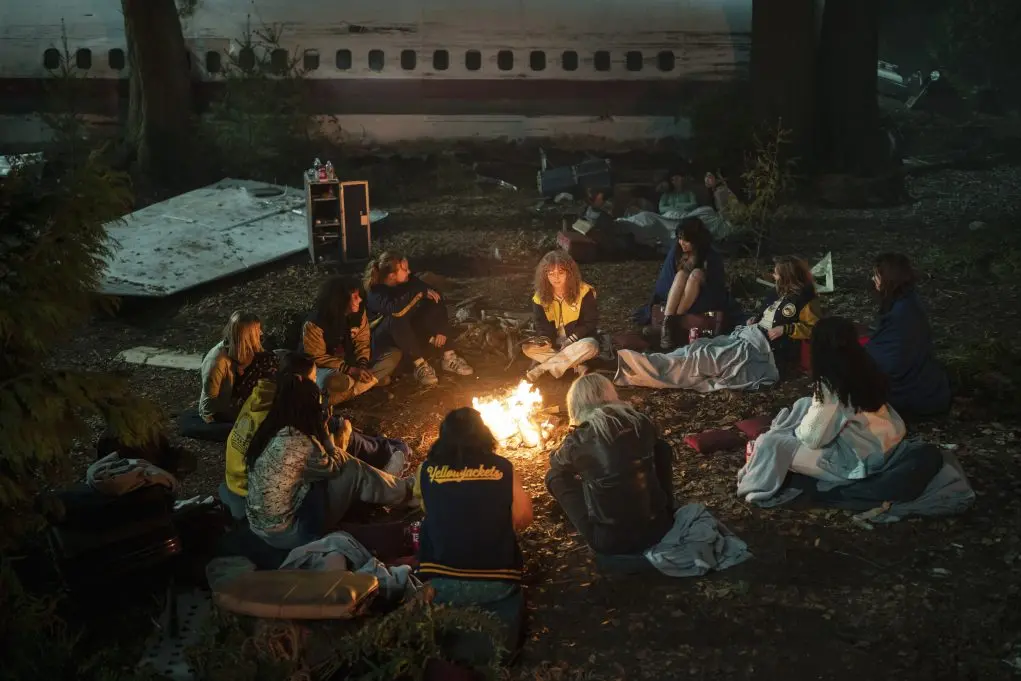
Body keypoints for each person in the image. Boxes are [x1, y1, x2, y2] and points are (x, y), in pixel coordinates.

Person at [219, 352, 409, 520]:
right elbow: (330, 466)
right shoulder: (287, 426)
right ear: (299, 383)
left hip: (241, 485)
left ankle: (388, 455)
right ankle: (402, 488)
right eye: (313, 380)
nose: (317, 388)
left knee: (336, 429)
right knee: (350, 467)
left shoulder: (262, 396)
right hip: (259, 499)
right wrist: (340, 439)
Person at [244, 371, 415, 550]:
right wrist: (325, 433)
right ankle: (408, 493)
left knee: (343, 465)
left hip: (261, 527)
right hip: (292, 533)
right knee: (350, 467)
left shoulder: (270, 430)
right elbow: (334, 465)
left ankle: (391, 489)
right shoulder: (300, 442)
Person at [415, 407, 533, 658]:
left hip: (439, 584)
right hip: (497, 583)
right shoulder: (503, 468)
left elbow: (428, 508)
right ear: (484, 435)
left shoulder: (426, 470)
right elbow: (524, 517)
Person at [546, 374, 674, 559]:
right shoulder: (640, 421)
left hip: (612, 542)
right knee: (662, 448)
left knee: (554, 476)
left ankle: (587, 524)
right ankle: (667, 507)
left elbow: (555, 462)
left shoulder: (579, 439)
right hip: (660, 528)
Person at [789, 316, 906, 480]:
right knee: (803, 404)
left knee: (774, 446)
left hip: (868, 458)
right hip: (890, 438)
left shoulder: (832, 385)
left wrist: (797, 432)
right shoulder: (864, 363)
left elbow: (812, 439)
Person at [364, 251, 473, 387]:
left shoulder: (408, 281)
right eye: (404, 270)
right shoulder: (376, 293)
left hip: (407, 335)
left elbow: (434, 295)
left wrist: (441, 329)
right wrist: (417, 293)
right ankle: (420, 365)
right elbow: (397, 310)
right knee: (396, 318)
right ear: (392, 276)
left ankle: (449, 356)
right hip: (384, 342)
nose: (409, 272)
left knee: (430, 302)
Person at [865, 253, 951, 417]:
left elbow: (893, 360)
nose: (873, 279)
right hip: (926, 386)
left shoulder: (903, 312)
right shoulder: (906, 300)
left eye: (877, 275)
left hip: (911, 395)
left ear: (888, 278)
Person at [299, 276, 401, 406]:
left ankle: (355, 388)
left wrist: (362, 366)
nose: (360, 299)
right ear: (340, 300)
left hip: (352, 362)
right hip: (327, 368)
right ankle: (366, 384)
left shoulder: (358, 313)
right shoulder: (315, 323)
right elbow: (317, 357)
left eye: (359, 295)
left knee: (393, 355)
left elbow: (362, 341)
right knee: (337, 382)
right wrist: (351, 370)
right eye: (355, 297)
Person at [178, 311, 276, 442]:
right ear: (246, 336)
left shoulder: (246, 349)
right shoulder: (216, 362)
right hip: (219, 410)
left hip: (237, 399)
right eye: (257, 330)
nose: (261, 333)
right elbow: (212, 398)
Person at [637, 217, 730, 350]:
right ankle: (668, 324)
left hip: (703, 293)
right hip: (681, 293)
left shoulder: (709, 254)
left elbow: (715, 284)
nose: (682, 243)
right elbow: (668, 278)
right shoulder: (677, 251)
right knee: (681, 274)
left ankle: (671, 324)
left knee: (695, 274)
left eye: (686, 240)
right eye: (680, 238)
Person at [522, 250, 601, 382]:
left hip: (578, 341)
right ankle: (576, 363)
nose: (556, 278)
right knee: (528, 349)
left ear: (569, 273)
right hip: (555, 344)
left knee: (591, 346)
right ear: (544, 275)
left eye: (561, 273)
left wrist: (570, 340)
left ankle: (542, 368)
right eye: (551, 273)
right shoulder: (539, 297)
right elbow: (541, 325)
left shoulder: (584, 292)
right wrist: (544, 341)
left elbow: (590, 322)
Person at [745, 255, 822, 368]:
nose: (773, 276)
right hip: (754, 334)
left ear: (787, 276)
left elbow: (816, 329)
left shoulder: (805, 299)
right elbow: (766, 313)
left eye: (776, 274)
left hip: (774, 346)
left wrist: (785, 329)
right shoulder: (776, 292)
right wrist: (755, 319)